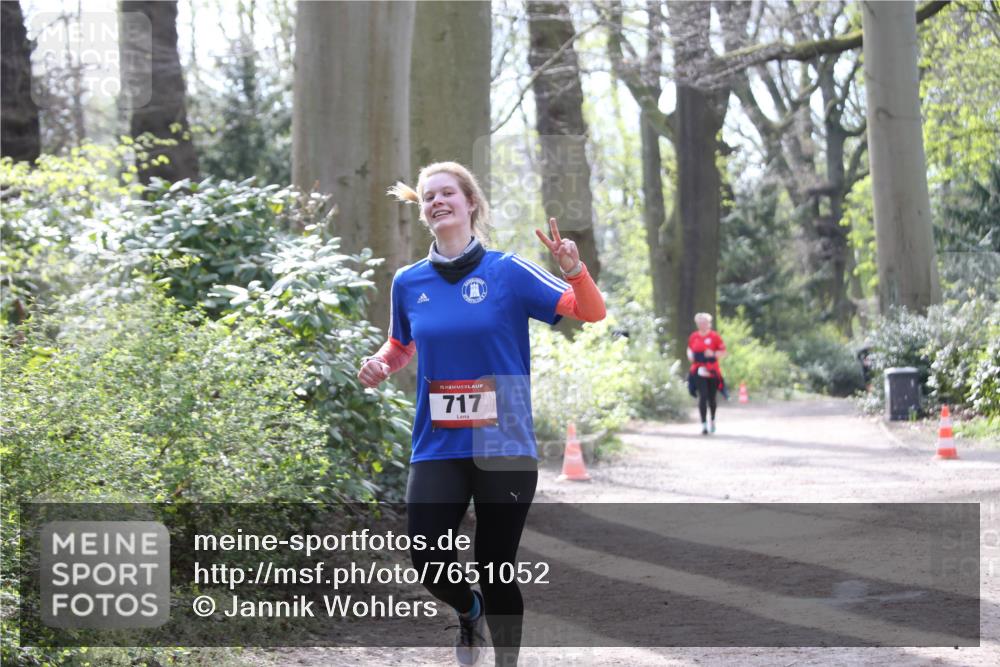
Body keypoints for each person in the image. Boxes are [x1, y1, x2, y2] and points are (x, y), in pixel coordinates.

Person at [357, 161, 605, 667]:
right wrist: (383, 362)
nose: (437, 201)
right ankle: (469, 613)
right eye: (429, 197)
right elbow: (401, 345)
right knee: (427, 557)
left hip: (504, 443)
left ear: (471, 203)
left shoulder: (508, 271)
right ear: (424, 211)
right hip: (438, 443)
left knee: (495, 566)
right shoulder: (408, 282)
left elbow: (591, 313)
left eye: (448, 192)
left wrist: (573, 269)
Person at [686, 312, 727, 435]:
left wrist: (713, 354)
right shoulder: (693, 336)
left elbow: (723, 352)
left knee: (712, 398)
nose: (702, 325)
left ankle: (712, 420)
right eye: (700, 323)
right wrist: (690, 355)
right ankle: (704, 424)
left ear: (709, 323)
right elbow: (689, 348)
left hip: (712, 370)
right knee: (702, 396)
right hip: (698, 370)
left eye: (704, 322)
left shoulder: (715, 336)